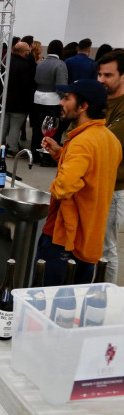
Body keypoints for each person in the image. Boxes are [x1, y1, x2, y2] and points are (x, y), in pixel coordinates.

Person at [36, 79, 121, 286]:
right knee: (73, 305)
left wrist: (55, 187)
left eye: (67, 98)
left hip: (65, 238)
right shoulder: (110, 139)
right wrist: (61, 153)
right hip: (89, 238)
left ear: (83, 107)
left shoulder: (82, 142)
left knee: (47, 302)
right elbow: (92, 172)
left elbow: (65, 186)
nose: (61, 103)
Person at [97, 50, 124, 283]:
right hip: (93, 184)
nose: (101, 80)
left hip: (114, 188)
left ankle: (107, 294)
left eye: (108, 75)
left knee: (106, 248)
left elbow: (108, 141)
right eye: (99, 74)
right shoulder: (100, 100)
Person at [31, 40, 67, 159]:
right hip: (52, 99)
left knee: (37, 127)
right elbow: (61, 85)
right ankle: (48, 157)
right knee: (52, 129)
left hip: (38, 97)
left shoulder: (41, 62)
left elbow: (36, 79)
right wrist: (65, 99)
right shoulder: (60, 64)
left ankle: (35, 153)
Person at [2, 42, 36, 155]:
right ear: (22, 52)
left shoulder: (6, 63)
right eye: (27, 51)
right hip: (20, 103)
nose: (28, 53)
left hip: (4, 101)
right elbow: (27, 85)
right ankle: (12, 148)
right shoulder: (25, 66)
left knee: (3, 125)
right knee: (15, 127)